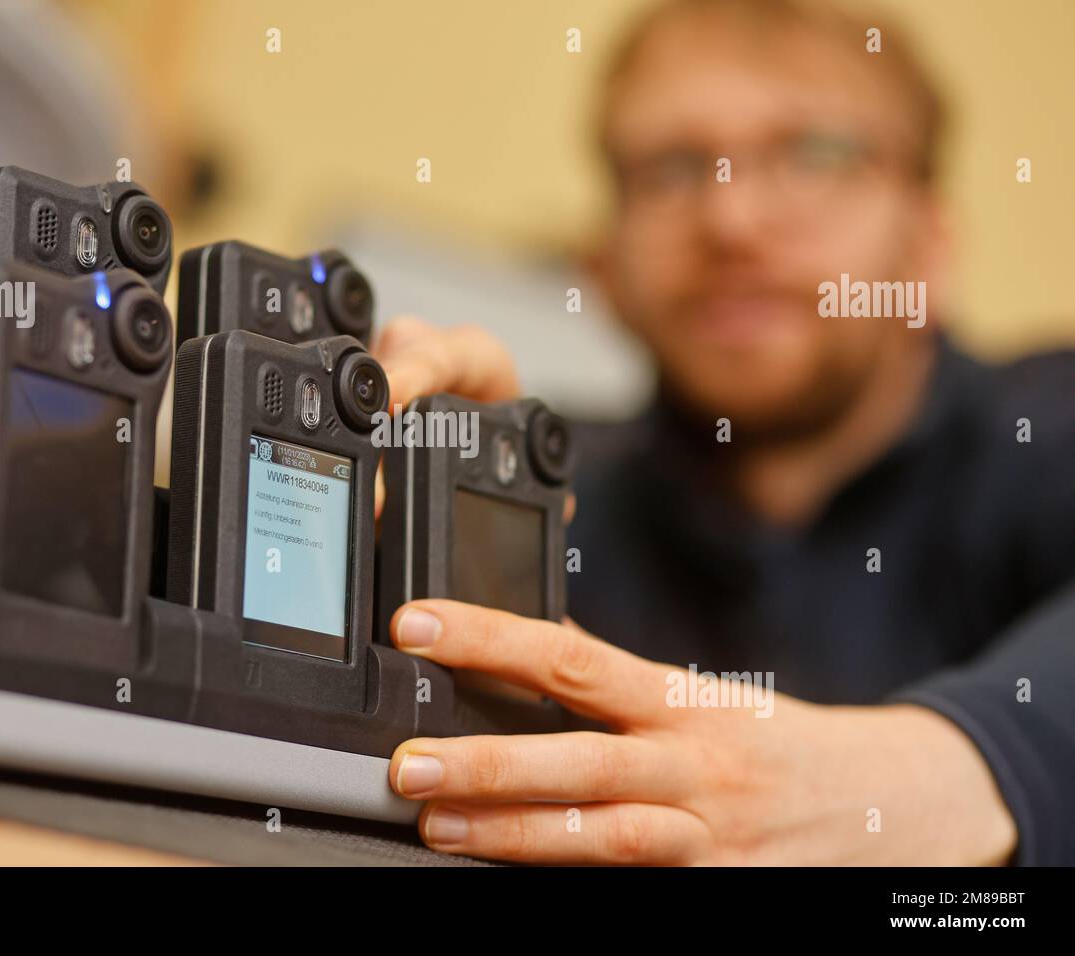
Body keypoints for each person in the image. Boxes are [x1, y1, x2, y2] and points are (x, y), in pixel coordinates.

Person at [369, 0, 1075, 864]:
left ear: (929, 246)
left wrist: (964, 768)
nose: (730, 222)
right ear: (604, 266)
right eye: (672, 168)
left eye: (815, 155)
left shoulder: (1046, 427)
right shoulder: (560, 485)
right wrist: (448, 534)